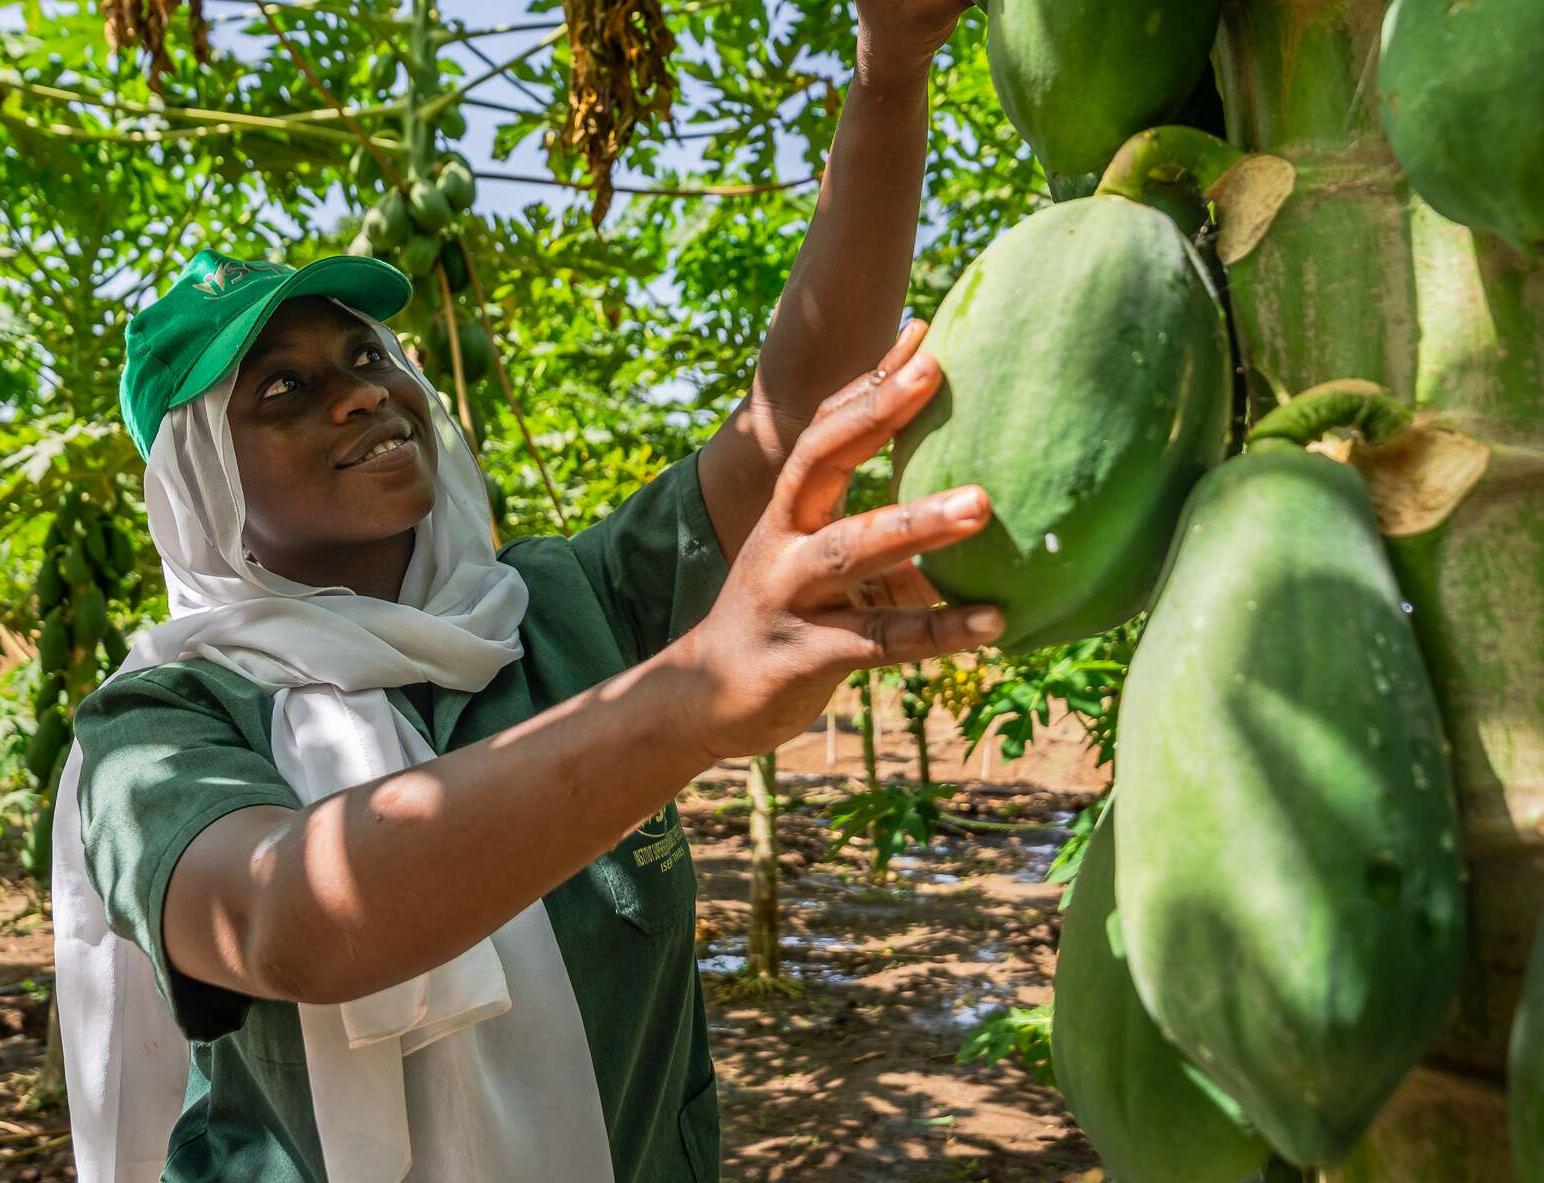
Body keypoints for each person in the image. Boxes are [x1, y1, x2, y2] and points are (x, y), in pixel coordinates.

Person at [53, 1, 991, 1179]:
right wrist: (691, 696)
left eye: (365, 358)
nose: (359, 395)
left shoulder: (556, 607)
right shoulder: (160, 726)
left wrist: (891, 78)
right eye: (279, 392)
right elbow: (291, 923)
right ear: (201, 484)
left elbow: (788, 423)